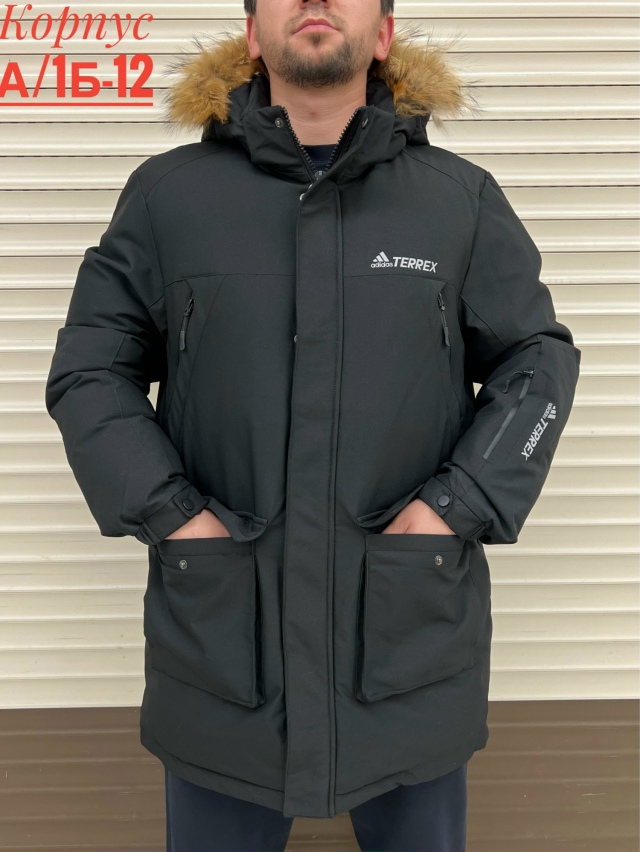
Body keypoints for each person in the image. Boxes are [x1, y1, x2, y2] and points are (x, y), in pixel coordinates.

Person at [44, 0, 581, 849]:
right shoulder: (169, 197)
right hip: (224, 652)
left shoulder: (458, 202)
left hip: (407, 646)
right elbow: (89, 372)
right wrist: (174, 515)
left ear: (386, 33)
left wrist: (458, 504)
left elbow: (537, 361)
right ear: (253, 34)